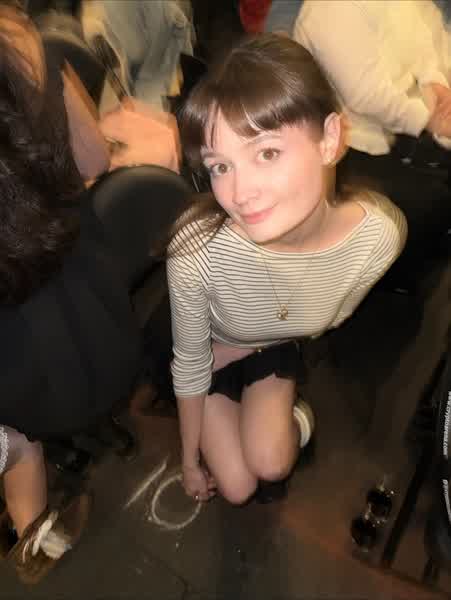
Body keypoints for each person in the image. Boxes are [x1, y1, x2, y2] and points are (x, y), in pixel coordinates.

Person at [167, 34, 407, 506]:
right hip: (207, 350)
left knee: (272, 464)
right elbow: (192, 365)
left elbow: (322, 321)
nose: (240, 194)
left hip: (263, 344)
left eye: (267, 153)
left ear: (330, 140)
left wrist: (245, 348)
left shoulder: (378, 237)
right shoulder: (197, 254)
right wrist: (189, 461)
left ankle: (297, 418)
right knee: (237, 488)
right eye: (220, 167)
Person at [0, 4, 187, 583]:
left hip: (18, 392)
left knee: (15, 439)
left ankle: (33, 533)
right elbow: (94, 159)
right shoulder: (32, 49)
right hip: (103, 333)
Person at [293, 0, 451, 289]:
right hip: (350, 143)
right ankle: (401, 280)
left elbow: (419, 36)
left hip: (398, 116)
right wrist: (431, 120)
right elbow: (367, 96)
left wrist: (436, 83)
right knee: (429, 200)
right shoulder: (328, 10)